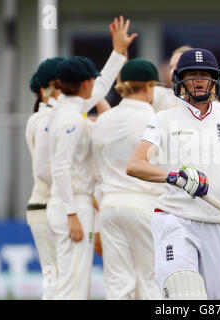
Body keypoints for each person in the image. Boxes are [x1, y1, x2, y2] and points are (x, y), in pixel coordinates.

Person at [126, 48, 220, 300]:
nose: (198, 80)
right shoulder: (164, 118)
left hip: (219, 220)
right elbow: (135, 164)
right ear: (178, 80)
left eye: (204, 75)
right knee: (184, 295)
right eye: (191, 74)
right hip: (176, 218)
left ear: (214, 79)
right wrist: (174, 176)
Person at [45, 16, 135, 300]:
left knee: (72, 284)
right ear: (84, 83)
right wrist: (72, 214)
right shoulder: (71, 118)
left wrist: (118, 53)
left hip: (68, 203)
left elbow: (102, 85)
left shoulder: (69, 106)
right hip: (71, 205)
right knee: (72, 287)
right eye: (92, 80)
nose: (95, 84)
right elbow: (59, 166)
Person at [91, 58, 163, 299]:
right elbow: (165, 169)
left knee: (119, 282)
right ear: (149, 86)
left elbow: (95, 171)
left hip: (109, 206)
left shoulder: (103, 120)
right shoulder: (155, 120)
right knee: (151, 279)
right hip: (144, 204)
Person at [25, 60, 64, 299]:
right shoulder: (42, 120)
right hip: (46, 208)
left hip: (50, 208)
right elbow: (46, 171)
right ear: (46, 90)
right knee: (54, 282)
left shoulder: (49, 117)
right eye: (63, 85)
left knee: (61, 282)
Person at [152, 45, 220, 113]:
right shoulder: (165, 95)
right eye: (171, 67)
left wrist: (210, 90)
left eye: (178, 65)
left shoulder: (219, 109)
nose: (173, 71)